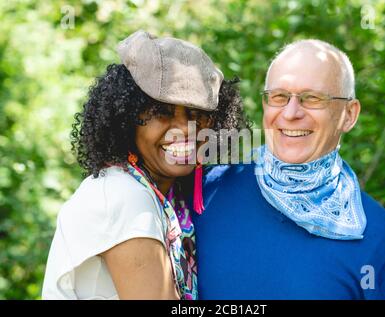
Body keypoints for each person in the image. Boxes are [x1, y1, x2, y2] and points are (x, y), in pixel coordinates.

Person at [193, 39, 385, 299]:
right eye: (279, 97)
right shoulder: (205, 193)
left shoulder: (378, 236)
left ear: (349, 114)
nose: (291, 113)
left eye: (312, 98)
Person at [42, 30, 247, 300]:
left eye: (197, 114)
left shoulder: (162, 195)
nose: (185, 129)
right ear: (125, 119)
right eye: (161, 112)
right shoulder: (123, 195)